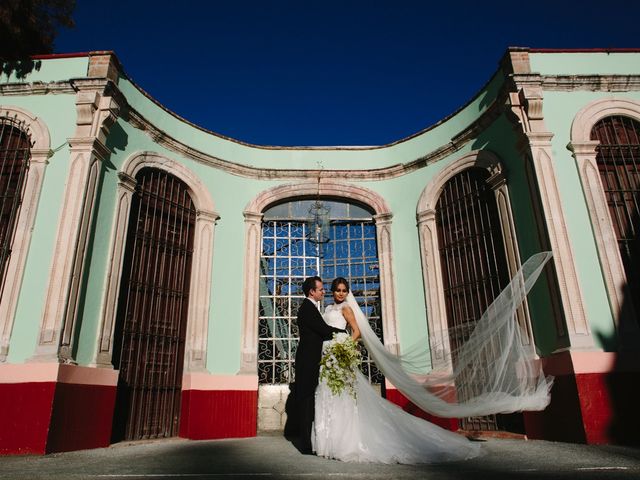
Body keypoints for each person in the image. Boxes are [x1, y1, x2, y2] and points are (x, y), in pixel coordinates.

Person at [312, 277, 481, 464]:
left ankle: (345, 443)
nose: (340, 293)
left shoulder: (346, 309)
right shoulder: (327, 309)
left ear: (347, 292)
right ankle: (330, 442)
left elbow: (356, 332)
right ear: (332, 291)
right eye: (337, 290)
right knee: (328, 394)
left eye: (344, 290)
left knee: (343, 396)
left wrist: (343, 348)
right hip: (326, 355)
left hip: (339, 354)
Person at [292, 276, 346, 454]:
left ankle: (310, 442)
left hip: (312, 360)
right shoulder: (307, 308)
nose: (324, 291)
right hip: (307, 362)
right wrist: (343, 332)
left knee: (309, 399)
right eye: (321, 289)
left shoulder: (311, 308)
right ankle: (305, 445)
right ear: (311, 292)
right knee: (307, 400)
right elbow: (323, 330)